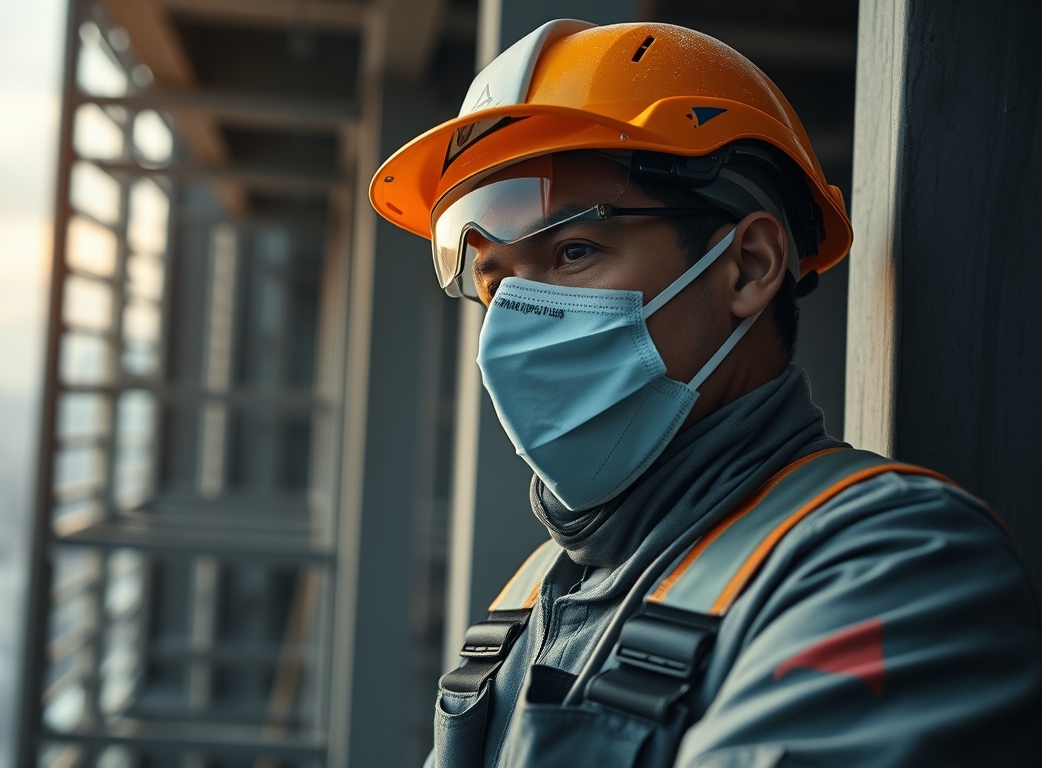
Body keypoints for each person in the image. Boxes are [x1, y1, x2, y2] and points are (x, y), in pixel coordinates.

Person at [368, 20, 1042, 768]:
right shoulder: (534, 597)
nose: (515, 323)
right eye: (495, 284)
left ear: (749, 265)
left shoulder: (895, 568)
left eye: (573, 251)